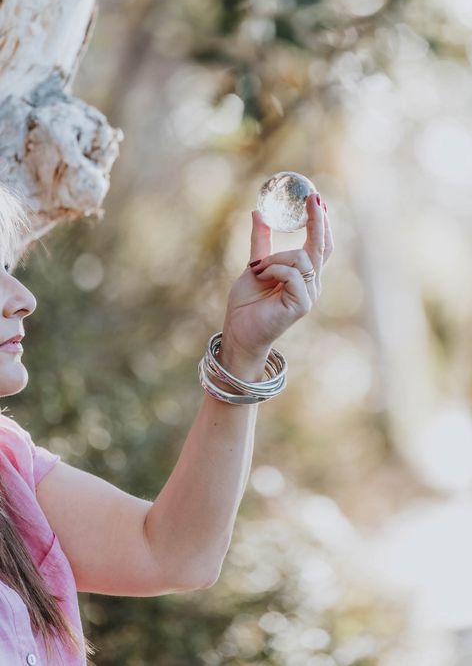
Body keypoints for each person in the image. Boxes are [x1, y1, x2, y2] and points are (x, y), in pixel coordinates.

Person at [0, 182, 334, 664]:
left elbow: (177, 554)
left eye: (8, 268)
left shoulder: (9, 466)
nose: (23, 298)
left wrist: (242, 356)